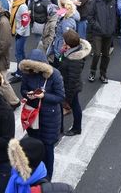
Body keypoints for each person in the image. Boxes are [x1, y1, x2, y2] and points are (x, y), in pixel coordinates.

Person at [19, 49, 65, 181]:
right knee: (35, 146)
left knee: (48, 148)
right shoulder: (27, 73)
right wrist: (28, 94)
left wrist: (44, 96)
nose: (33, 70)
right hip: (33, 116)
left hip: (49, 118)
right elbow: (22, 89)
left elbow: (60, 96)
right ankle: (36, 174)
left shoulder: (55, 74)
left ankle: (47, 178)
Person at [6, 137, 74, 193]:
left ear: (27, 163)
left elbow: (69, 190)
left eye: (18, 159)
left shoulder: (41, 185)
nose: (15, 163)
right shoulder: (16, 173)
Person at [59, 30, 91, 136]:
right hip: (68, 84)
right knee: (75, 106)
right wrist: (62, 53)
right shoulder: (71, 52)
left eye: (64, 41)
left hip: (71, 87)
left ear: (69, 44)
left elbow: (72, 80)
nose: (63, 42)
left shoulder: (75, 59)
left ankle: (77, 128)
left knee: (75, 107)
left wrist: (67, 98)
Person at [87, 0, 117, 84]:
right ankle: (92, 72)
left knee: (106, 55)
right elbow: (90, 17)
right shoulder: (95, 1)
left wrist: (113, 28)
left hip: (109, 33)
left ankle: (103, 74)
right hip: (98, 33)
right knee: (96, 54)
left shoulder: (113, 1)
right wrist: (97, 27)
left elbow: (114, 16)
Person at [9, 0, 31, 83]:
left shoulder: (22, 6)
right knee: (20, 52)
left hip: (21, 33)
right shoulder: (16, 4)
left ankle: (20, 74)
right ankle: (21, 70)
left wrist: (19, 32)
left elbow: (26, 21)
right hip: (18, 31)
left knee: (18, 53)